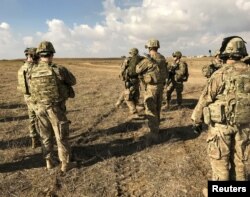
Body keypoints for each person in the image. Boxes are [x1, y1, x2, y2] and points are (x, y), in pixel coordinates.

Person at [191, 36, 250, 195]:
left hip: (221, 129)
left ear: (226, 53)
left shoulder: (220, 74)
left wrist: (196, 120)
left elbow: (205, 98)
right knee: (242, 163)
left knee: (220, 162)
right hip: (245, 127)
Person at [29, 41, 77, 172]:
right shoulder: (58, 69)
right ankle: (65, 164)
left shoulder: (32, 70)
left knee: (45, 136)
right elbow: (73, 81)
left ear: (39, 54)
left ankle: (49, 162)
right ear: (52, 54)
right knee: (61, 135)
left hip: (39, 108)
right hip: (55, 109)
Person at [136, 39, 168, 141]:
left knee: (150, 109)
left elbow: (137, 70)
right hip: (160, 87)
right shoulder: (162, 58)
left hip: (151, 87)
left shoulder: (147, 60)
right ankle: (157, 128)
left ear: (149, 47)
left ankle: (153, 134)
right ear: (157, 47)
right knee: (157, 108)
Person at [17, 47, 40, 148]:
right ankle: (44, 139)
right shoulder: (33, 68)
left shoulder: (22, 67)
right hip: (35, 97)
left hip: (27, 97)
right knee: (42, 118)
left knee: (32, 118)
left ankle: (34, 140)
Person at [115, 48, 143, 118]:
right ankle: (133, 112)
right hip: (133, 80)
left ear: (131, 53)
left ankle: (119, 103)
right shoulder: (138, 59)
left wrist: (122, 76)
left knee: (133, 93)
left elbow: (122, 70)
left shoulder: (129, 59)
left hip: (132, 80)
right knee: (128, 95)